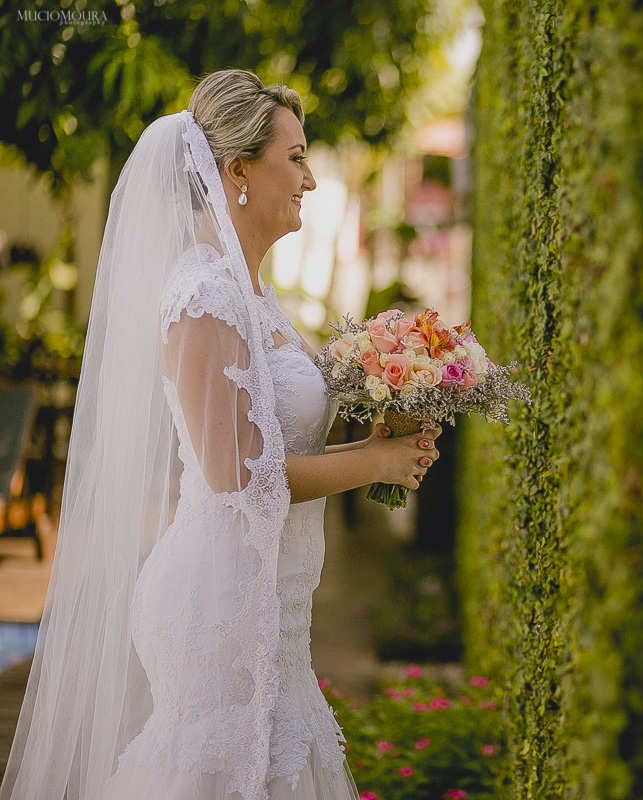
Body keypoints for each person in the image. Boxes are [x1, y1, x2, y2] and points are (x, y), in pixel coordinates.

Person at [0, 69, 440, 800]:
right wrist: (372, 462)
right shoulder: (203, 297)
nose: (310, 179)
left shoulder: (257, 295)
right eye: (295, 157)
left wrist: (382, 443)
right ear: (237, 169)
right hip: (219, 607)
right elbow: (238, 474)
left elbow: (276, 452)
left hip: (272, 604)